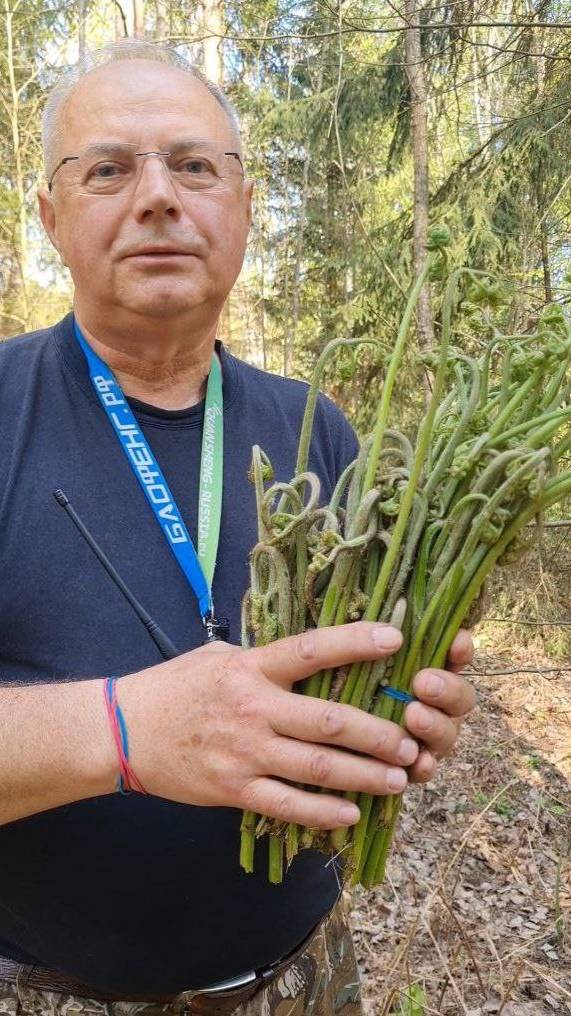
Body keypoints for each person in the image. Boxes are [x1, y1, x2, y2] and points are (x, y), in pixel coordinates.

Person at [0, 40, 476, 1016]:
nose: (158, 197)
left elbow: (363, 678)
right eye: (108, 169)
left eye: (194, 164)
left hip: (304, 977)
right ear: (49, 216)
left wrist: (395, 714)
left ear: (246, 205)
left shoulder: (316, 427)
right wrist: (124, 730)